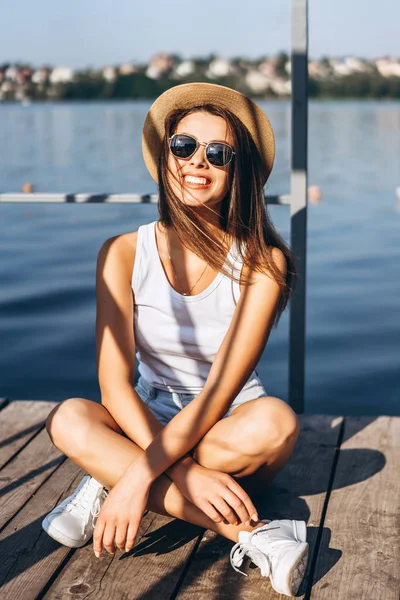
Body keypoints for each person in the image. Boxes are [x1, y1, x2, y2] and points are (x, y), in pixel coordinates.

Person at [42, 82, 308, 597]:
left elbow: (218, 393)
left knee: (276, 423)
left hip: (226, 421)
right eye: (183, 146)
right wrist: (180, 473)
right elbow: (114, 386)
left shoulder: (264, 264)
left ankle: (108, 475)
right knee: (69, 417)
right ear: (166, 156)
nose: (196, 162)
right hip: (145, 415)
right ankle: (255, 536)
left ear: (238, 172)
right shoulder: (121, 252)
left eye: (218, 154)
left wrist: (138, 476)